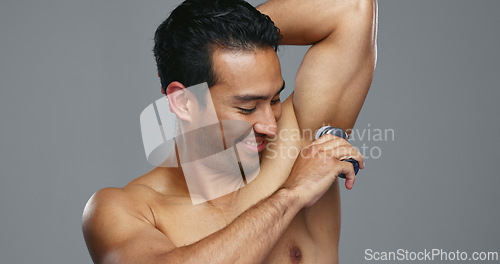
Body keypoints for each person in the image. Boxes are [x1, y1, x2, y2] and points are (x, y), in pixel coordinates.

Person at [82, 0, 377, 262]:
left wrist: (232, 31)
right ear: (183, 102)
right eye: (247, 108)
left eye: (274, 100)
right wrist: (291, 194)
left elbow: (351, 8)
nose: (271, 126)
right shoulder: (124, 209)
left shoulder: (300, 141)